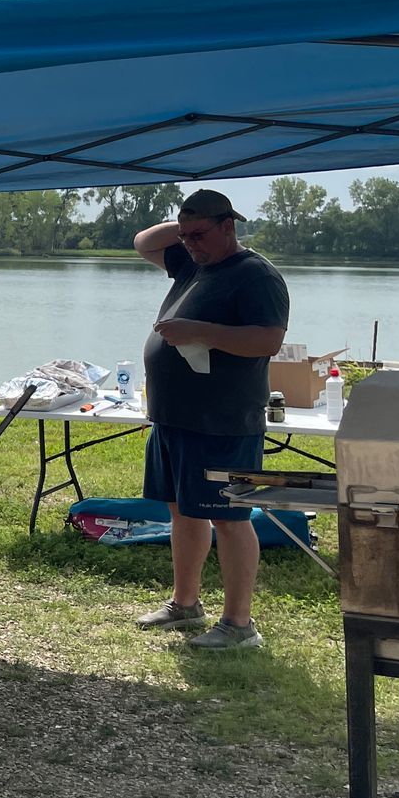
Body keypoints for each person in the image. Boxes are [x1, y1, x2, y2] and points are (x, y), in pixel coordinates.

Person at [130, 189, 289, 649]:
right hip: (174, 417)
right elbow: (144, 242)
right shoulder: (192, 263)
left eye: (199, 234)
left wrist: (199, 332)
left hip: (222, 421)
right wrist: (184, 226)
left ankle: (240, 625)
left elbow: (267, 340)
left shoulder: (256, 275)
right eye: (183, 235)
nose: (189, 244)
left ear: (229, 226)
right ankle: (186, 603)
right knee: (181, 509)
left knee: (230, 518)